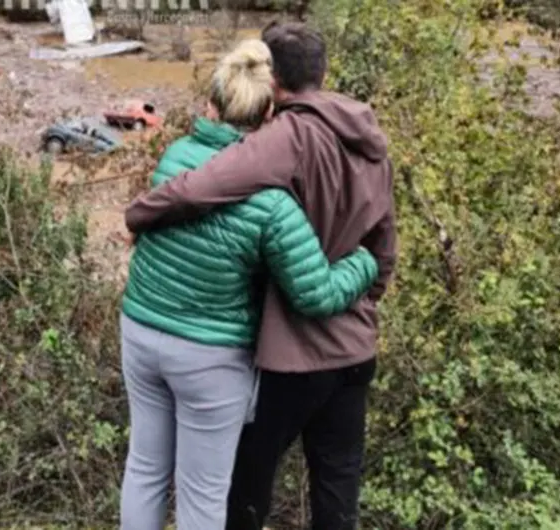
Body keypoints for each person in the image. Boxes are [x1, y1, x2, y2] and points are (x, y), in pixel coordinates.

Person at [124, 22, 398, 530]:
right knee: (338, 491)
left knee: (242, 485)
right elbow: (383, 244)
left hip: (293, 353)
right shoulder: (370, 138)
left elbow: (201, 186)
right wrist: (368, 283)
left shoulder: (283, 138)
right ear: (324, 72)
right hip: (356, 345)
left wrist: (140, 213)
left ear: (270, 83)